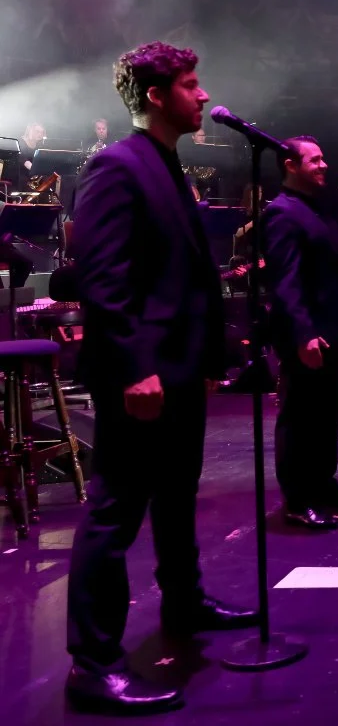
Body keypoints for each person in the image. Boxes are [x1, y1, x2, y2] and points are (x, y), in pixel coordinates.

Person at [65, 42, 256, 714]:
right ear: (156, 95)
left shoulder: (168, 163)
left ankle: (185, 602)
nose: (203, 96)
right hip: (140, 373)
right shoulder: (118, 167)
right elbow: (105, 279)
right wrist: (135, 367)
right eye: (191, 84)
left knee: (176, 497)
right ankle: (92, 665)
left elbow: (183, 276)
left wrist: (207, 360)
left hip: (178, 367)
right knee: (114, 514)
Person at [262, 136, 338, 530]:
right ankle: (297, 498)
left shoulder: (315, 209)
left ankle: (322, 483)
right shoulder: (282, 213)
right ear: (291, 165)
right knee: (299, 416)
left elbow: (331, 273)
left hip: (328, 328)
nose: (325, 165)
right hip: (304, 335)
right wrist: (304, 334)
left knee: (326, 414)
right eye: (316, 159)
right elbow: (286, 282)